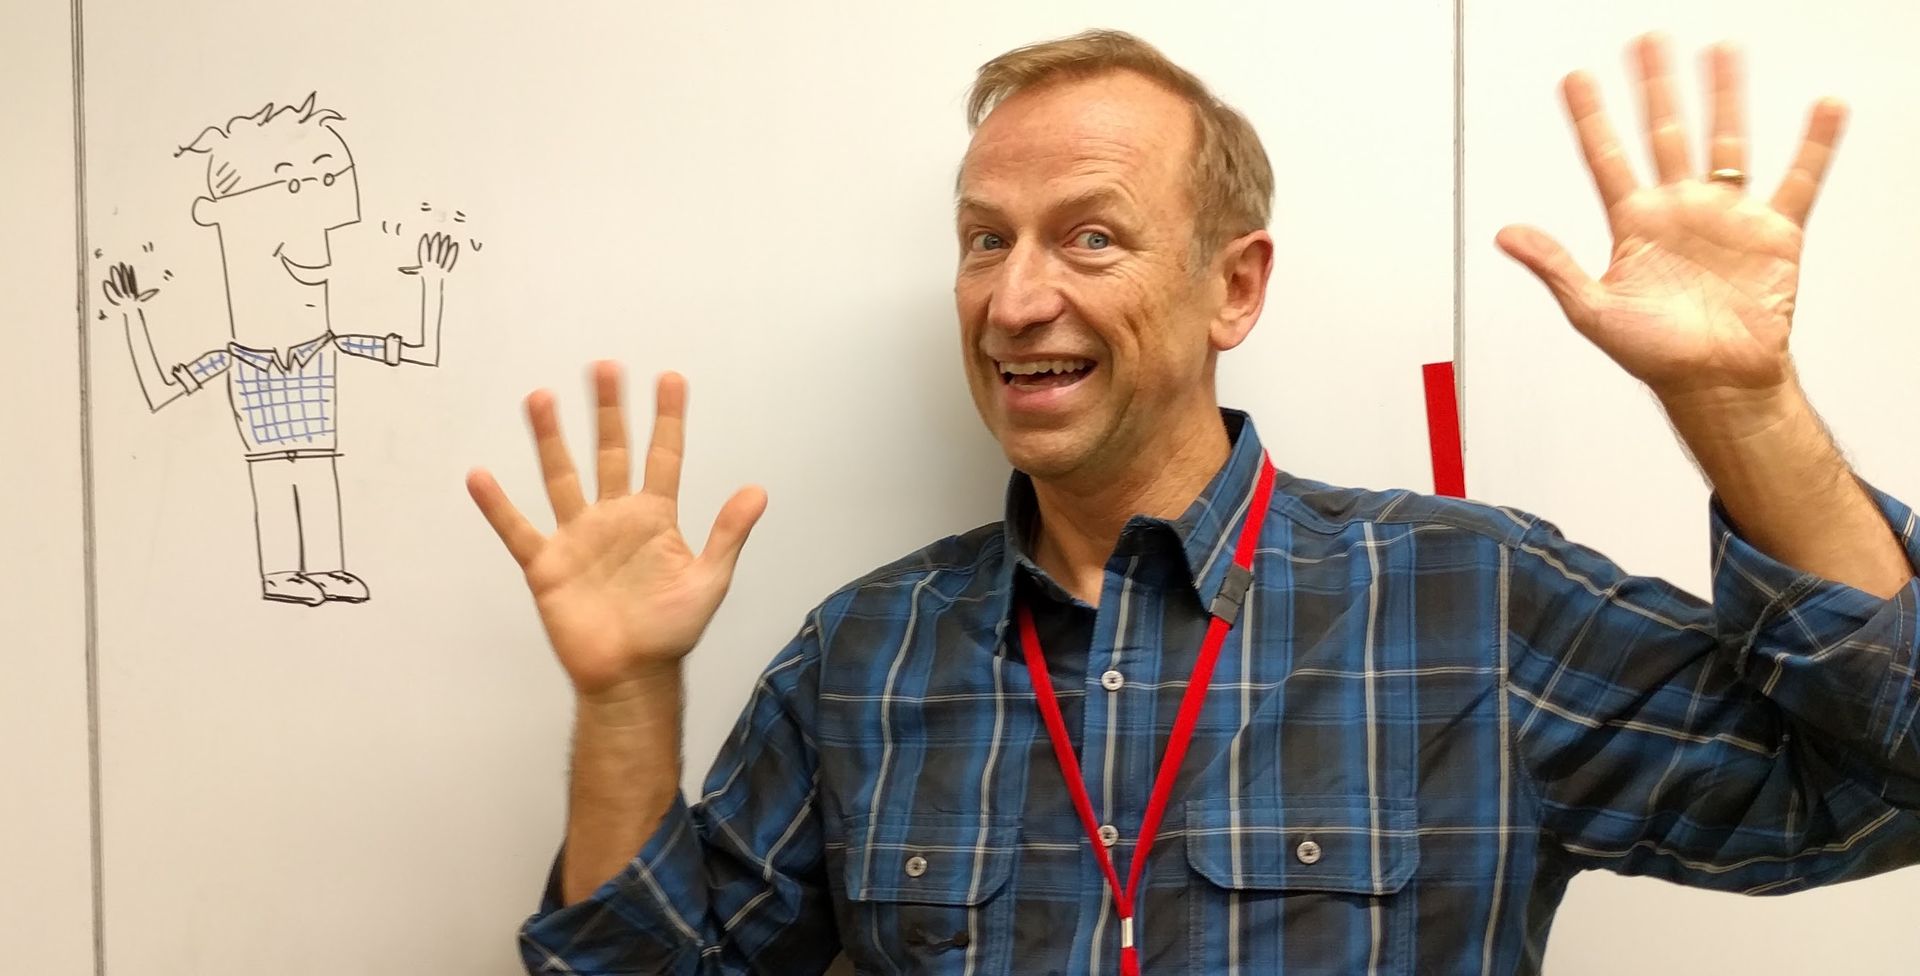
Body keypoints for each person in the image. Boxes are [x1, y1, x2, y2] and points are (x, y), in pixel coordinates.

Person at [471, 29, 1920, 974]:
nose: (1015, 299)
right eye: (984, 239)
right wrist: (626, 697)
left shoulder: (1469, 605)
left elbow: (1884, 784)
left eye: (1090, 237)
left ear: (1234, 286)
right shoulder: (866, 653)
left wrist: (1741, 404)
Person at [101, 94, 460, 606]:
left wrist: (433, 283)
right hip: (264, 443)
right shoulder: (234, 359)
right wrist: (132, 314)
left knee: (317, 479)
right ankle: (280, 573)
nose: (318, 244)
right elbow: (159, 392)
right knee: (273, 485)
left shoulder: (330, 345)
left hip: (317, 439)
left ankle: (326, 568)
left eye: (325, 180)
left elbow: (423, 352)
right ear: (217, 216)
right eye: (292, 185)